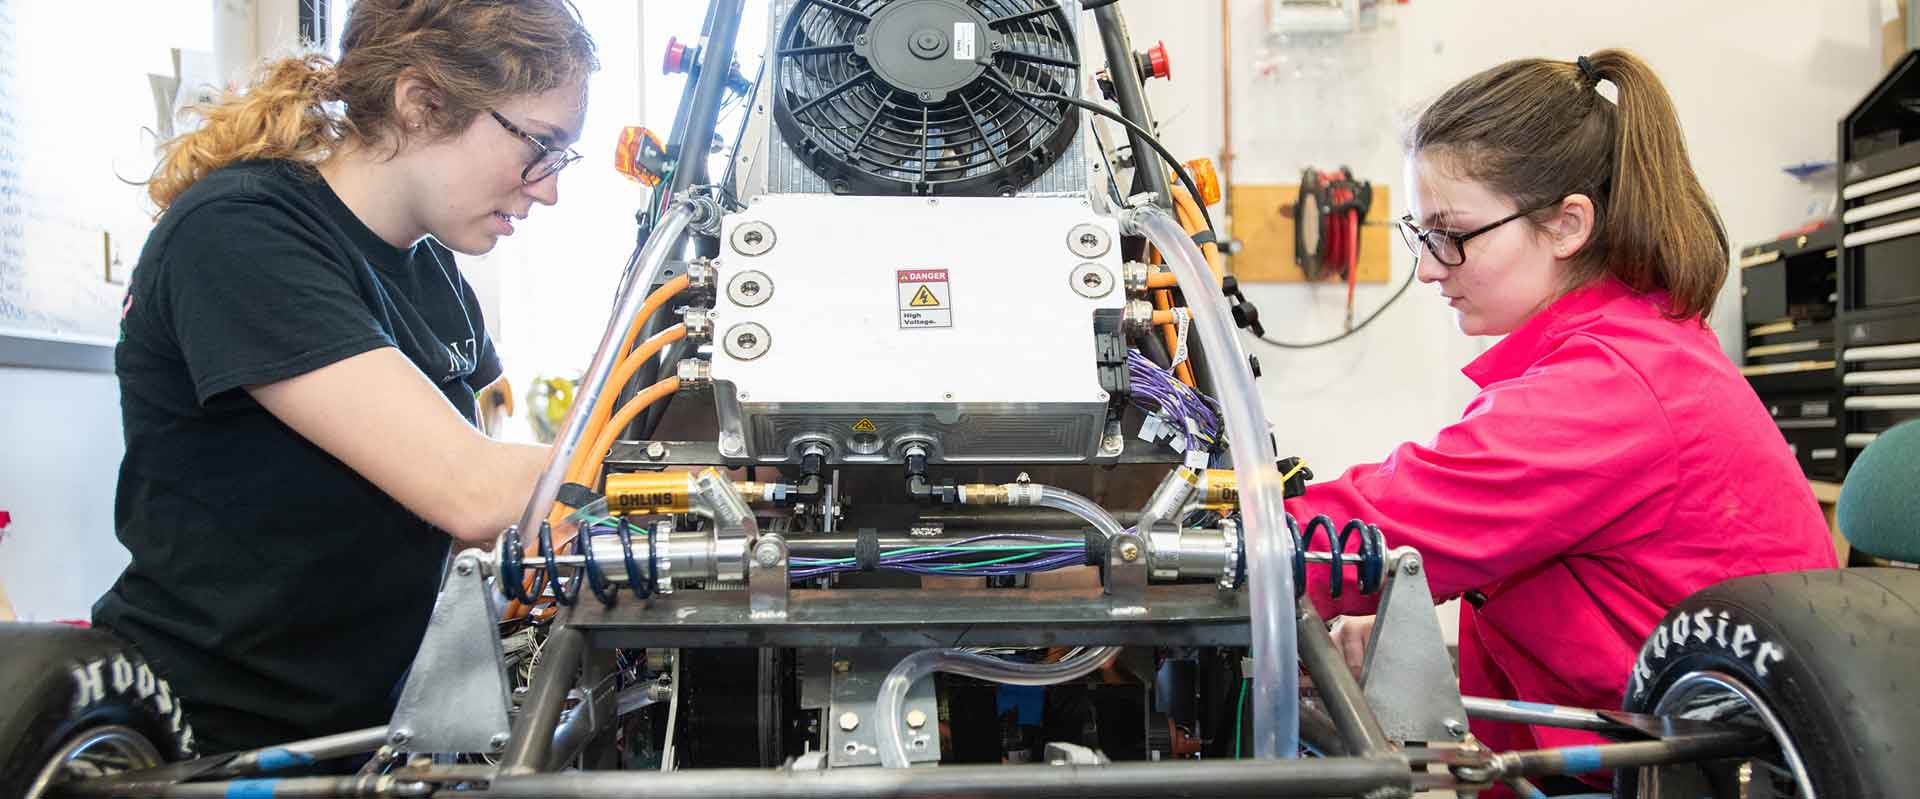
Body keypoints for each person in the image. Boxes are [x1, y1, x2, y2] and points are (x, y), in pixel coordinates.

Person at [1288, 50, 1834, 794]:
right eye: (1423, 235)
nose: (1428, 268)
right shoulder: (1623, 347)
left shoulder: (1613, 386)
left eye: (1452, 233)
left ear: (1568, 224)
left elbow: (1382, 524)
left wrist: (1237, 547)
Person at [93, 0, 596, 755]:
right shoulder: (241, 233)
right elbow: (470, 488)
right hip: (208, 739)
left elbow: (504, 501)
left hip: (371, 732)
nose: (549, 188)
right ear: (421, 103)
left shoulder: (435, 276)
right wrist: (674, 486)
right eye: (539, 146)